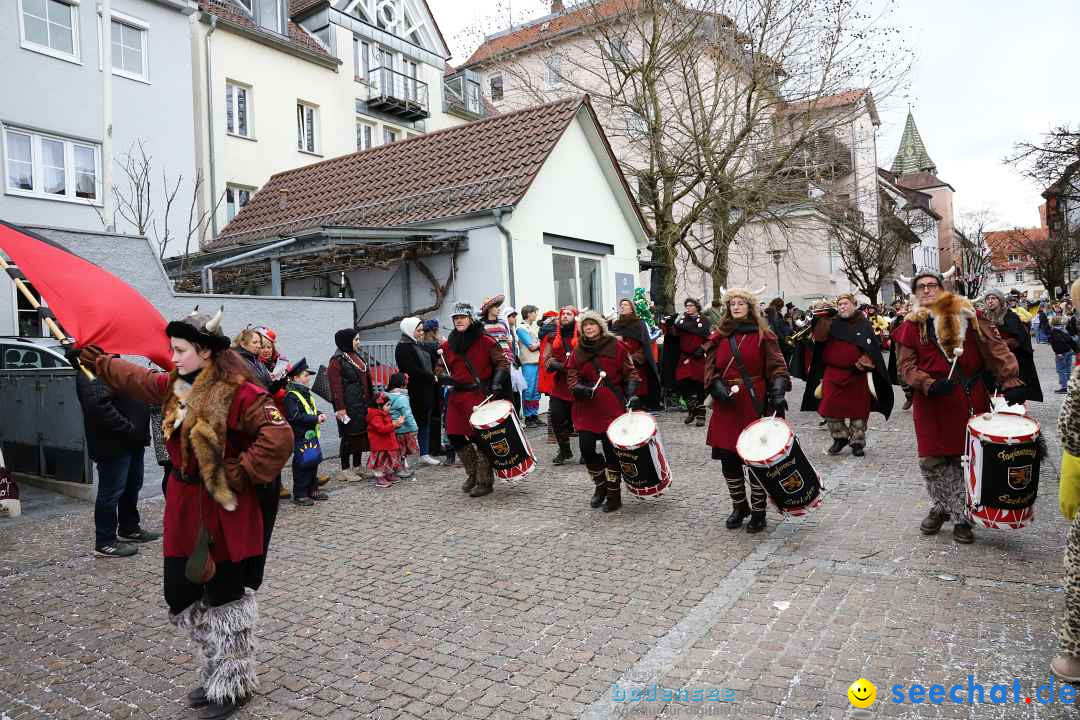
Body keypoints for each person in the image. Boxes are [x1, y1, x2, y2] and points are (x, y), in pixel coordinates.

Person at [78, 307, 293, 719]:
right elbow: (138, 380)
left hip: (224, 508)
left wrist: (242, 470)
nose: (172, 358)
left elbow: (278, 434)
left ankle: (231, 685)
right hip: (183, 505)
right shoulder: (175, 387)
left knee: (226, 599)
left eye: (180, 350)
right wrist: (99, 362)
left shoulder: (241, 392)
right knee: (179, 595)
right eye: (171, 350)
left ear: (207, 352)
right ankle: (219, 668)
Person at [895, 268, 1024, 544]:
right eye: (921, 287)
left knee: (965, 459)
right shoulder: (909, 325)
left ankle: (961, 517)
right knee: (932, 460)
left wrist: (1010, 379)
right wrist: (927, 383)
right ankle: (946, 506)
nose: (927, 290)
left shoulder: (968, 315)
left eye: (932, 285)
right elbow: (905, 367)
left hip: (967, 397)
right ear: (915, 293)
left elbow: (995, 347)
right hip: (930, 403)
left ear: (942, 289)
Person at [703, 288, 790, 534]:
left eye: (741, 303)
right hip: (726, 403)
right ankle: (740, 506)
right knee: (729, 460)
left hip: (755, 401)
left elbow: (778, 367)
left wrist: (779, 391)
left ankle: (759, 512)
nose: (737, 307)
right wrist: (715, 384)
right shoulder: (719, 336)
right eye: (733, 304)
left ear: (750, 307)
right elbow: (710, 367)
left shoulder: (764, 334)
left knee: (755, 460)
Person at [74, 355, 159, 558]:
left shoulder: (113, 364)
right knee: (111, 492)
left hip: (132, 440)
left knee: (132, 485)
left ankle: (129, 528)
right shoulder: (91, 369)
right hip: (113, 444)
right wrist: (127, 428)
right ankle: (105, 542)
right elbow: (98, 407)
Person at [800, 293, 893, 457]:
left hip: (857, 373)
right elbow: (820, 338)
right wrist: (821, 318)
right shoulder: (832, 322)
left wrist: (861, 365)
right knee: (828, 407)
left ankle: (857, 442)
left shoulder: (863, 324)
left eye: (845, 303)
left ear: (854, 304)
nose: (842, 307)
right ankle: (840, 437)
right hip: (833, 373)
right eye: (840, 304)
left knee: (859, 410)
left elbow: (872, 349)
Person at [565, 311, 640, 512]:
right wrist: (579, 388)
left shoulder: (616, 346)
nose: (589, 328)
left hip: (611, 405)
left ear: (600, 326)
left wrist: (631, 393)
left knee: (611, 451)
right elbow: (571, 376)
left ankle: (614, 494)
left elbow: (631, 372)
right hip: (587, 406)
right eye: (585, 326)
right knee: (587, 449)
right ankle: (601, 486)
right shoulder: (577, 351)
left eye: (592, 324)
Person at [438, 301, 510, 497]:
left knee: (481, 439)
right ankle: (472, 473)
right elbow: (440, 366)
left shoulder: (485, 340)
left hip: (478, 396)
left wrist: (496, 382)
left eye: (461, 317)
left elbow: (503, 363)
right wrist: (441, 375)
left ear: (470, 318)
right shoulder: (448, 344)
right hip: (456, 396)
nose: (458, 321)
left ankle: (485, 481)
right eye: (455, 318)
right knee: (454, 436)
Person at [328, 328, 374, 482]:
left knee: (360, 435)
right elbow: (336, 387)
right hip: (348, 406)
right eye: (356, 340)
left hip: (362, 404)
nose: (358, 342)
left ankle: (358, 466)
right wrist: (340, 408)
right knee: (349, 436)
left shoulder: (356, 356)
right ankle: (345, 469)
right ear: (346, 341)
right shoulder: (337, 360)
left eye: (358, 339)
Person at [394, 318, 440, 466]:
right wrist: (430, 376)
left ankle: (424, 453)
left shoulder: (417, 344)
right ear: (409, 330)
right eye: (418, 330)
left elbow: (428, 358)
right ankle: (402, 457)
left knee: (423, 422)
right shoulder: (403, 347)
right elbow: (411, 369)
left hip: (425, 389)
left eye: (422, 330)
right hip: (412, 390)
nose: (421, 333)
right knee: (406, 425)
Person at [282, 358, 327, 507]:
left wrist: (318, 414)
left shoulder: (305, 393)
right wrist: (315, 418)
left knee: (312, 461)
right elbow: (294, 416)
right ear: (295, 378)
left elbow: (310, 409)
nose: (308, 378)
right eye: (305, 375)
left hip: (311, 435)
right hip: (300, 435)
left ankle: (312, 489)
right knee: (302, 464)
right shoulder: (291, 396)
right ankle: (300, 493)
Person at [984, 289, 1043, 402]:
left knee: (1012, 396)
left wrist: (1005, 343)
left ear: (1000, 300)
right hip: (992, 362)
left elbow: (1021, 338)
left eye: (993, 298)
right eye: (987, 299)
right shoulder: (985, 318)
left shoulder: (1011, 317)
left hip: (1011, 361)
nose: (990, 301)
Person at [539, 306, 579, 464]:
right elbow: (546, 358)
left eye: (569, 314)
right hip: (560, 385)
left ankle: (585, 452)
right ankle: (564, 450)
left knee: (580, 421)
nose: (565, 316)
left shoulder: (583, 335)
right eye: (563, 314)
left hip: (578, 384)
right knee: (556, 416)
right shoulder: (552, 336)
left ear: (574, 317)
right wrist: (557, 365)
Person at [610, 298, 661, 411]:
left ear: (632, 309)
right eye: (621, 305)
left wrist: (634, 357)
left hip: (636, 363)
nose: (622, 307)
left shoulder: (640, 324)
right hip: (620, 362)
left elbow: (645, 345)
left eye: (625, 305)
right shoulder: (616, 325)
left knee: (638, 391)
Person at [667, 298, 711, 426]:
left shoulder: (704, 321)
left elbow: (710, 338)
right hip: (685, 356)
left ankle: (701, 415)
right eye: (686, 306)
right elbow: (674, 335)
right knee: (681, 382)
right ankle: (692, 409)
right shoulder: (682, 321)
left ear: (697, 307)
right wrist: (670, 325)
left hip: (698, 356)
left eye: (691, 305)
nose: (688, 308)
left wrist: (703, 348)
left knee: (699, 385)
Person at [366, 391, 402, 488]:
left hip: (387, 443)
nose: (389, 407)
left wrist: (396, 424)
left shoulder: (384, 414)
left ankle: (388, 473)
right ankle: (379, 477)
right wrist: (394, 425)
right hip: (379, 444)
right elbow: (381, 429)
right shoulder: (375, 416)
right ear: (379, 406)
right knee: (379, 462)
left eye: (389, 405)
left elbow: (388, 427)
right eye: (387, 405)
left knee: (388, 460)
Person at [386, 373, 419, 478]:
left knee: (396, 451)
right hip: (403, 429)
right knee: (402, 451)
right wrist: (414, 428)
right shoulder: (402, 398)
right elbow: (407, 415)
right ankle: (399, 469)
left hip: (392, 428)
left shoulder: (386, 396)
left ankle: (400, 468)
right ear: (403, 384)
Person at [516, 305, 544, 427]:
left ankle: (534, 415)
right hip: (529, 363)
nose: (536, 315)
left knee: (536, 390)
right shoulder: (521, 328)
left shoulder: (532, 327)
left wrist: (537, 343)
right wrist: (541, 342)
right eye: (534, 313)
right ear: (528, 314)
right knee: (529, 390)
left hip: (537, 362)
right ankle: (528, 417)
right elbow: (531, 346)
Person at [1050, 316, 1079, 393]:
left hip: (1062, 353)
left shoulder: (1054, 331)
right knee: (1068, 369)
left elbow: (1057, 343)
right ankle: (1069, 385)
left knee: (1061, 370)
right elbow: (1071, 340)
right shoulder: (1064, 329)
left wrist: (1058, 352)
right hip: (1069, 351)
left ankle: (1064, 387)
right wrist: (1076, 350)